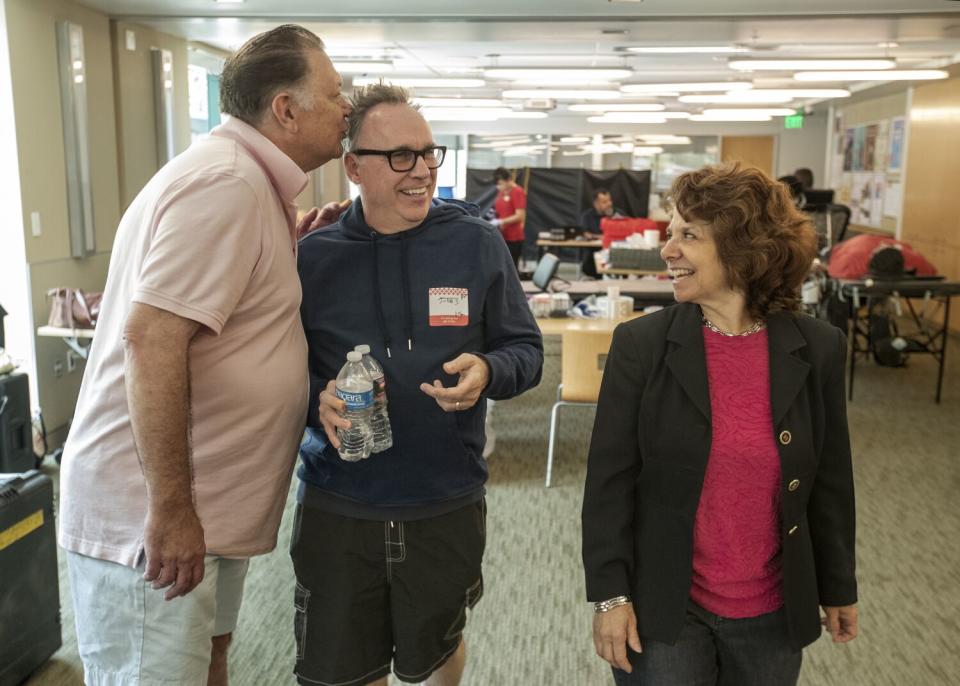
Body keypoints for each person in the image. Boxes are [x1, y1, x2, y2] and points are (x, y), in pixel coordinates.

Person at [57, 25, 351, 686]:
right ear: (285, 110)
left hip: (207, 511)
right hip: (158, 521)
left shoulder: (249, 185)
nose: (347, 109)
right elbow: (151, 337)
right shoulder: (226, 184)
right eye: (335, 95)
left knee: (209, 663)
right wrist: (170, 508)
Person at [292, 84, 543, 686]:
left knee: (435, 649)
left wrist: (488, 371)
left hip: (444, 500)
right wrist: (312, 400)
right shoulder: (311, 259)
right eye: (400, 156)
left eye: (429, 153)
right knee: (344, 667)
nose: (423, 171)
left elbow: (526, 352)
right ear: (354, 167)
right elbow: (274, 375)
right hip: (340, 504)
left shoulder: (475, 244)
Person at [582, 162, 857, 686]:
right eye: (670, 232)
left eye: (689, 234)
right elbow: (607, 486)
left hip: (773, 613)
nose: (668, 249)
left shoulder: (817, 348)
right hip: (666, 607)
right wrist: (610, 596)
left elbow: (831, 481)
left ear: (743, 247)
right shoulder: (641, 347)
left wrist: (838, 585)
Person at [579, 188, 626, 277]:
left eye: (609, 200)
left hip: (616, 256)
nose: (609, 204)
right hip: (593, 256)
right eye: (604, 202)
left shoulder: (619, 214)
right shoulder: (587, 216)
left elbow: (628, 232)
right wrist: (602, 237)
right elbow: (585, 234)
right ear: (596, 204)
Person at [492, 166, 527, 270]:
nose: (499, 187)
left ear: (508, 180)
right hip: (503, 236)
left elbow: (520, 216)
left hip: (514, 238)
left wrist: (501, 221)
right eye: (497, 184)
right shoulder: (502, 192)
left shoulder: (517, 192)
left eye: (501, 184)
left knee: (511, 270)